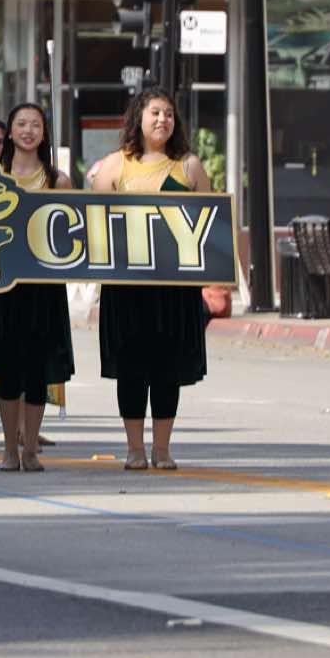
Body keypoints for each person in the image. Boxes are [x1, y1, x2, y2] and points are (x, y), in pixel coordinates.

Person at [90, 88, 210, 471]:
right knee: (131, 367)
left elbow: (209, 224)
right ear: (138, 118)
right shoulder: (115, 165)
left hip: (174, 290)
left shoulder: (189, 166)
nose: (162, 120)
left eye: (169, 113)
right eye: (155, 112)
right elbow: (96, 223)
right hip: (126, 289)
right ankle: (134, 449)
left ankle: (162, 448)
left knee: (166, 369)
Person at [0, 103, 74, 471]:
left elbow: (70, 233)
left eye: (35, 125)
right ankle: (10, 448)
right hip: (3, 285)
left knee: (37, 369)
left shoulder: (58, 180)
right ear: (9, 131)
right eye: (21, 124)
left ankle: (31, 449)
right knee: (9, 369)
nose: (28, 131)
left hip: (44, 288)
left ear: (44, 133)